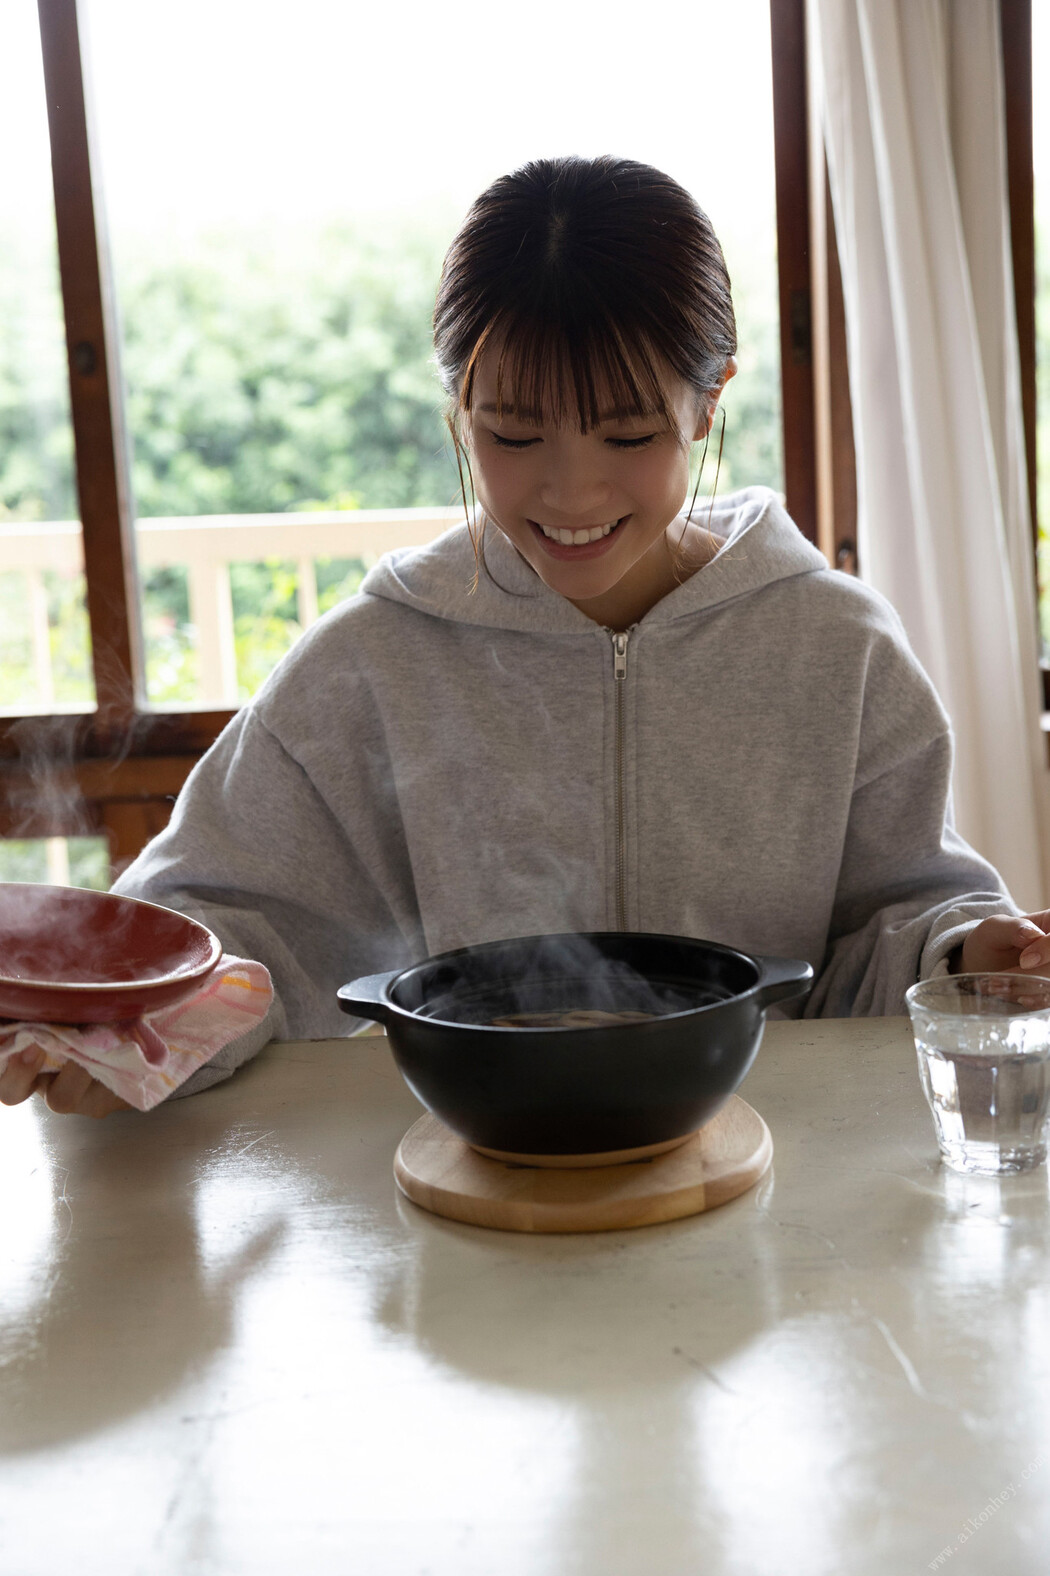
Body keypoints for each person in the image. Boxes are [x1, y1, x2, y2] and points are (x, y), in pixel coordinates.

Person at [5, 153, 1050, 1120]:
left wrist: (967, 952)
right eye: (511, 434)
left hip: (780, 1188)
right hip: (461, 1188)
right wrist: (119, 1038)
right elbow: (217, 928)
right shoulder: (372, 661)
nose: (571, 491)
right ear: (459, 406)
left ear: (708, 403)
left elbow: (899, 923)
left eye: (629, 434)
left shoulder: (835, 646)